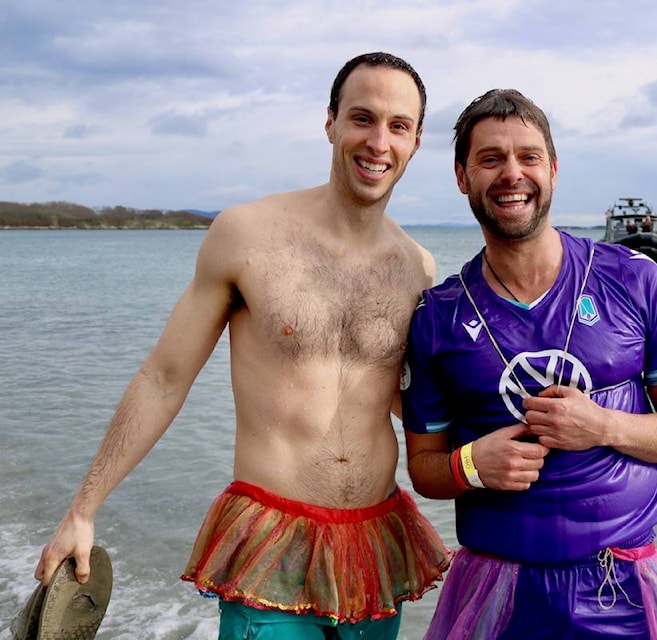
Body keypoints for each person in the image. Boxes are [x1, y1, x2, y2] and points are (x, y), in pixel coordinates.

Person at [33, 51, 450, 639]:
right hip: (271, 544)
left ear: (416, 140)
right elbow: (163, 378)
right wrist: (84, 509)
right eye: (362, 118)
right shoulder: (248, 235)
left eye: (398, 126)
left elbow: (414, 404)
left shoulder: (418, 267)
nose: (378, 141)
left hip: (376, 546)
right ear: (329, 122)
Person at [401, 89, 657, 639]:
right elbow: (424, 466)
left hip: (625, 586)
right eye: (490, 158)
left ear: (554, 169)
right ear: (461, 176)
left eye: (529, 156)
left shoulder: (635, 279)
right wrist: (470, 465)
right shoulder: (437, 315)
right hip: (495, 588)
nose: (511, 174)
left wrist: (603, 425)